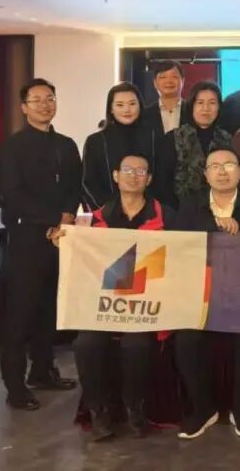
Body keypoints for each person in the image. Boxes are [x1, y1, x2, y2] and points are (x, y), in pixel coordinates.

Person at [65, 153, 172, 441]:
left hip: (147, 305)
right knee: (86, 343)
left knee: (136, 345)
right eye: (127, 170)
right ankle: (99, 412)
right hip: (104, 305)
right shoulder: (93, 220)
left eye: (141, 171)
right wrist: (64, 240)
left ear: (149, 179)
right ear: (115, 176)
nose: (134, 176)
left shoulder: (166, 216)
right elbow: (80, 260)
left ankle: (135, 410)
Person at [0, 78, 82, 411]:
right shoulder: (11, 147)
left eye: (50, 98)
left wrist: (66, 217)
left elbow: (75, 186)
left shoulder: (66, 145)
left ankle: (43, 371)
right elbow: (11, 194)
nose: (45, 105)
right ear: (24, 107)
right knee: (21, 313)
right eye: (37, 100)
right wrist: (52, 220)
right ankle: (15, 387)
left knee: (50, 307)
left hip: (62, 236)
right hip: (26, 237)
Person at [171, 145, 240, 439]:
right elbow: (177, 240)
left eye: (229, 165)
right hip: (202, 293)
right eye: (215, 166)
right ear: (205, 174)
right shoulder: (191, 204)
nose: (222, 171)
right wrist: (213, 224)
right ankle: (203, 409)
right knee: (186, 338)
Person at [154, 81, 233, 209]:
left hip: (220, 210)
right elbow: (163, 184)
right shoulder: (173, 138)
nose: (206, 108)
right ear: (192, 106)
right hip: (179, 211)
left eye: (212, 103)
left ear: (219, 107)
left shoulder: (227, 140)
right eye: (200, 102)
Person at [81, 82, 156, 210]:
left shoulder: (154, 137)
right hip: (107, 214)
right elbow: (88, 182)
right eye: (120, 105)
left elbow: (161, 179)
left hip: (150, 213)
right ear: (111, 109)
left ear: (140, 106)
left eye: (132, 104)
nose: (127, 110)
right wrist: (107, 211)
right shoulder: (95, 141)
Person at [146, 59, 184, 140]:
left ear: (183, 81)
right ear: (155, 83)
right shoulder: (145, 114)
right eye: (163, 77)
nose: (169, 81)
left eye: (174, 77)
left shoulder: (193, 111)